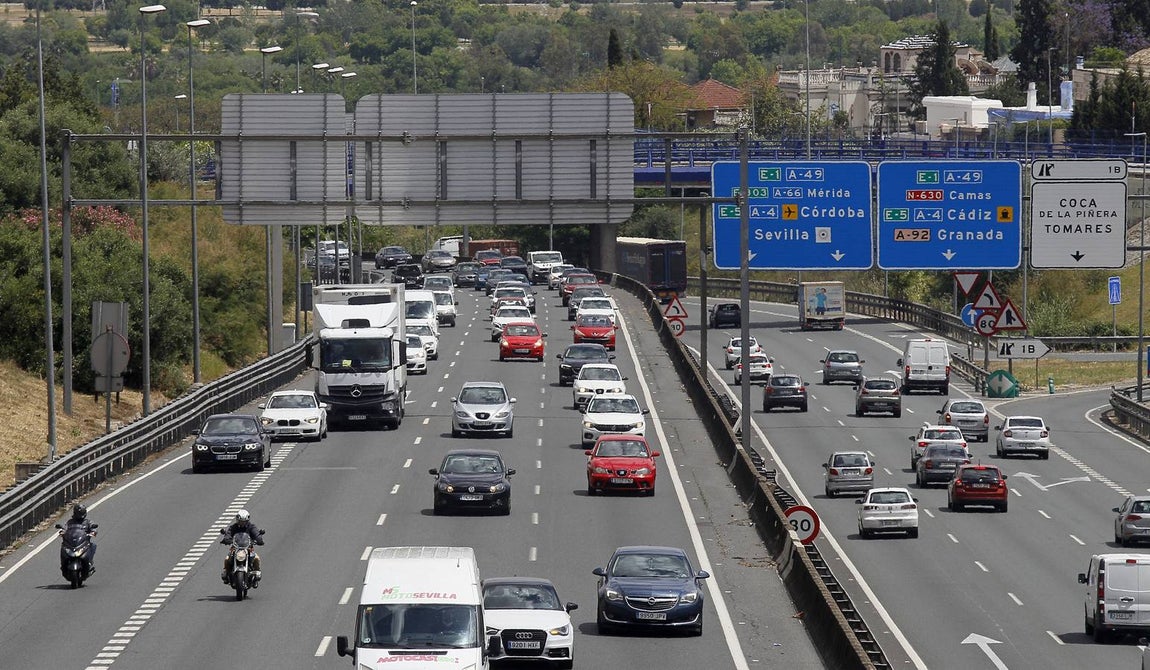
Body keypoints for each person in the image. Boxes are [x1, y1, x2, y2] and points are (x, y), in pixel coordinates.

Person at [220, 509, 263, 585]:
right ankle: (226, 574)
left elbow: (256, 534)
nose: (242, 523)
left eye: (244, 521)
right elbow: (228, 534)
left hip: (248, 548)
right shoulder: (233, 527)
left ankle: (256, 575)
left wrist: (259, 539)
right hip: (235, 548)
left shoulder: (251, 527)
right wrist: (226, 539)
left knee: (256, 558)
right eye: (240, 521)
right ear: (237, 520)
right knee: (227, 559)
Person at [64, 504, 97, 572]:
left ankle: (89, 562)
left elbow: (93, 528)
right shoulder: (70, 522)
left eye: (81, 513)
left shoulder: (87, 522)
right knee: (63, 548)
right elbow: (65, 528)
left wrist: (93, 532)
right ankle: (64, 565)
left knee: (93, 546)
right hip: (72, 543)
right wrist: (62, 532)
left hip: (84, 543)